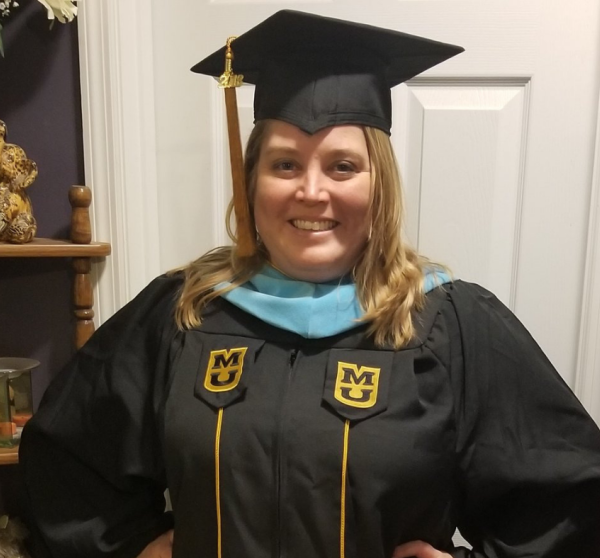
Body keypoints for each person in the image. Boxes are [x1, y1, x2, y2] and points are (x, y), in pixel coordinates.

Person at [19, 10, 600, 558]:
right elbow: (67, 461)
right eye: (285, 164)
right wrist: (134, 548)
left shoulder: (447, 326)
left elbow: (570, 497)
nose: (312, 191)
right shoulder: (183, 314)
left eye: (343, 166)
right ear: (251, 181)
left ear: (380, 186)